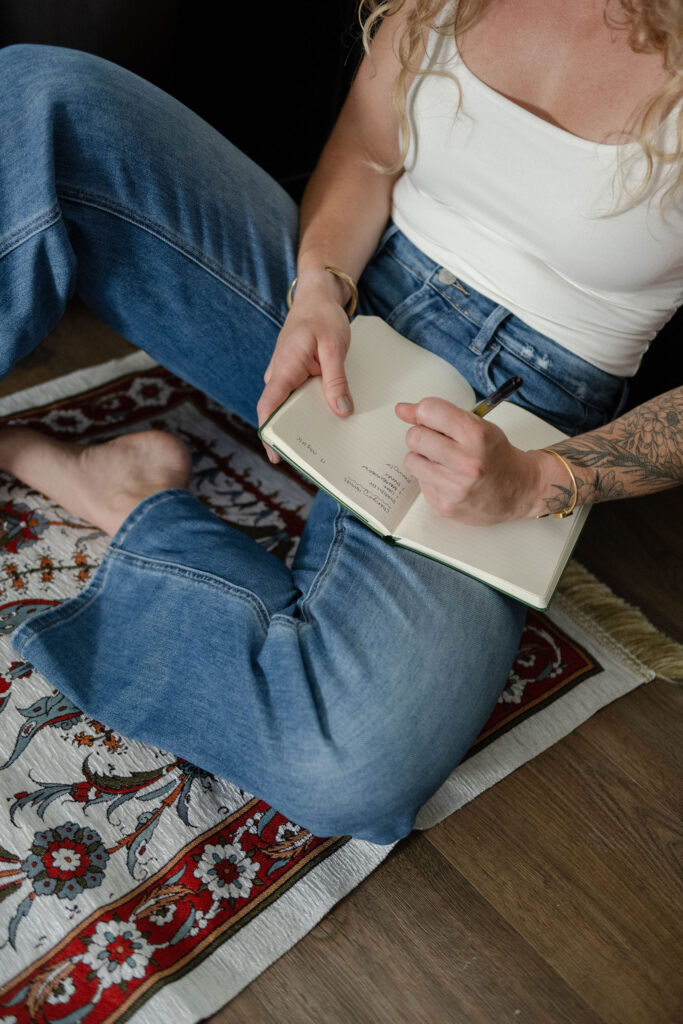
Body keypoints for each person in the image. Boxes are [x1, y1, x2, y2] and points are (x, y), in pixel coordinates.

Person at [0, 0, 680, 845]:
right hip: (351, 289)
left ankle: (137, 500)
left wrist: (546, 480)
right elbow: (366, 148)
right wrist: (320, 286)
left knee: (351, 764)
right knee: (38, 93)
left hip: (520, 414)